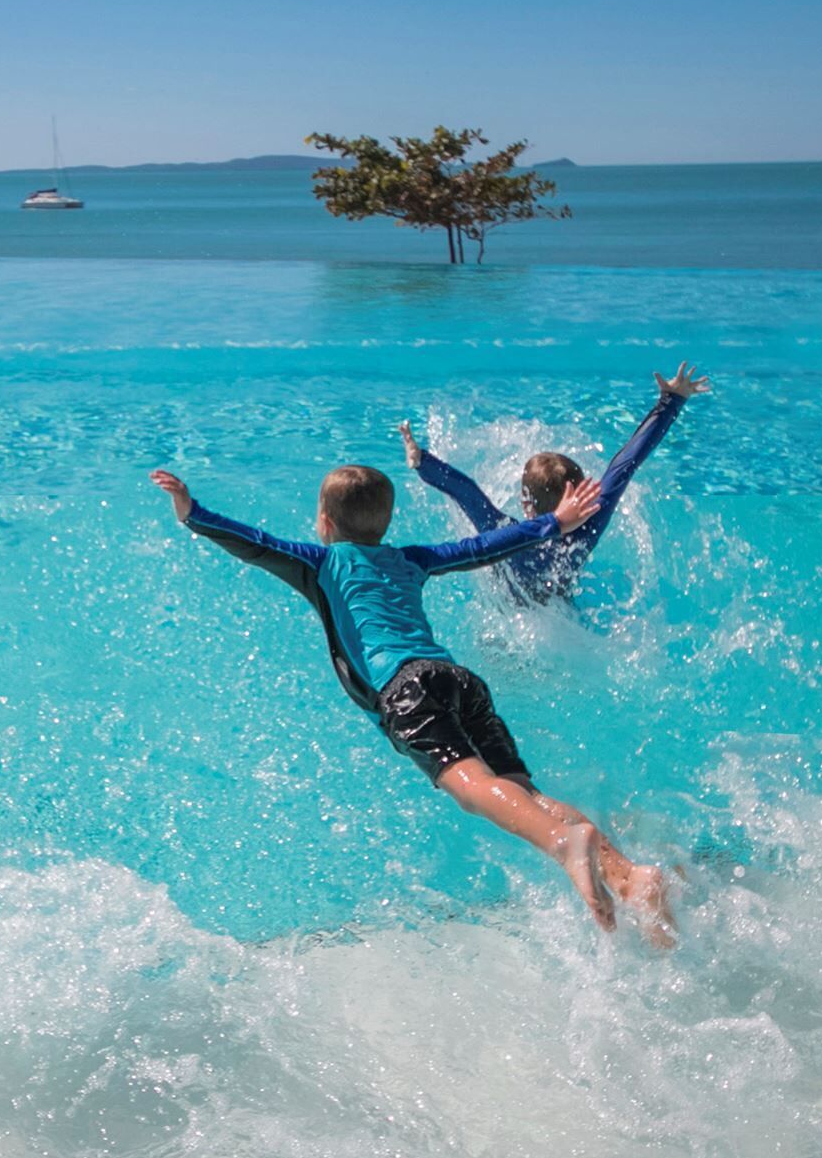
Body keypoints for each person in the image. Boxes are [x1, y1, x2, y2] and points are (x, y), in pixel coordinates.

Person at [148, 461, 675, 944]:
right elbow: (483, 547)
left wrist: (192, 512)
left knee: (473, 791)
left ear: (325, 522)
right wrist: (552, 524)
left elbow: (255, 543)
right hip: (458, 679)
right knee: (523, 794)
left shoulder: (321, 562)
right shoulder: (410, 559)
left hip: (408, 690)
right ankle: (629, 877)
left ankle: (567, 848)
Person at [398, 362, 711, 602]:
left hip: (511, 630)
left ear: (525, 501)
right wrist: (671, 401)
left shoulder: (505, 534)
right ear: (580, 495)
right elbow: (625, 464)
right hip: (563, 619)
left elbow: (465, 492)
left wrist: (423, 461)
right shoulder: (589, 522)